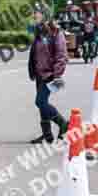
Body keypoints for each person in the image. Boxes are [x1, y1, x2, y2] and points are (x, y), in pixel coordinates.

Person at [28, 16, 69, 144]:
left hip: (50, 74)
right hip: (40, 74)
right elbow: (35, 53)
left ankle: (63, 123)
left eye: (37, 14)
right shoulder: (39, 32)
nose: (34, 17)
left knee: (40, 102)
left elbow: (61, 55)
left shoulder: (56, 33)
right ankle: (47, 135)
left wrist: (56, 74)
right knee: (42, 103)